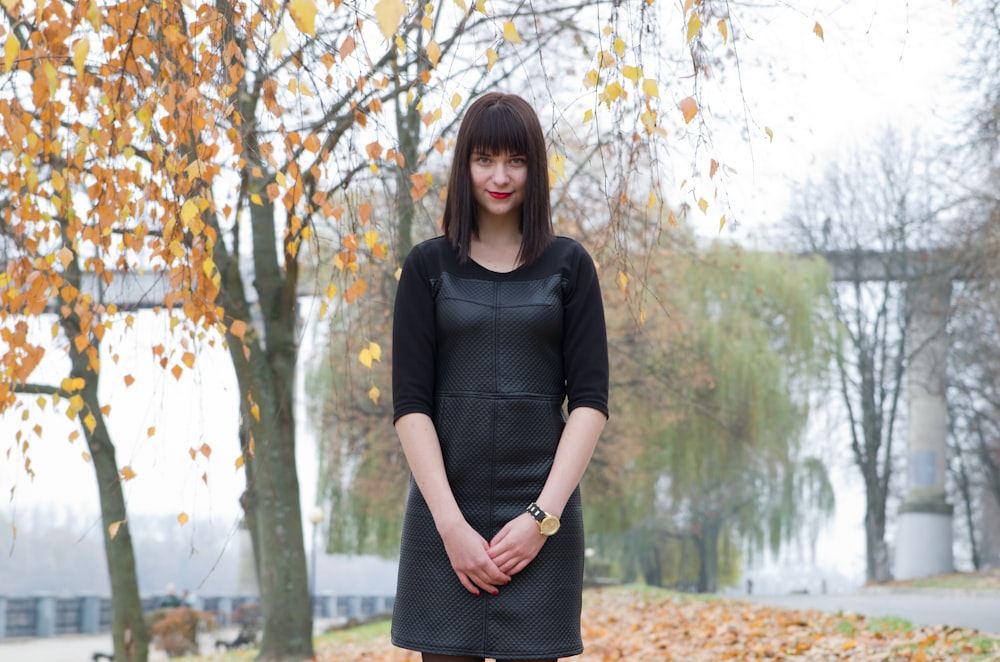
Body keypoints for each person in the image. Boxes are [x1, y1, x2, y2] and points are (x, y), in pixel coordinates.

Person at [390, 92, 609, 662]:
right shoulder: (426, 267)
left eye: (516, 160)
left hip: (541, 517)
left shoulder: (570, 267)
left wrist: (542, 518)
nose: (500, 176)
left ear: (534, 168)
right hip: (446, 520)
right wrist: (451, 529)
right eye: (485, 159)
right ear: (464, 165)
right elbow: (410, 405)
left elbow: (589, 402)